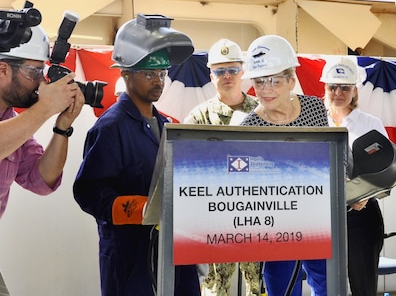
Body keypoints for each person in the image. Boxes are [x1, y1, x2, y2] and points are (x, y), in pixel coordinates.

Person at [73, 16, 200, 296]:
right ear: (125, 74)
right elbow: (89, 193)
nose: (158, 81)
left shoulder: (168, 125)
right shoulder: (110, 128)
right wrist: (143, 209)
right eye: (149, 74)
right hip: (130, 258)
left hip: (175, 252)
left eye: (163, 74)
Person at [240, 35, 329, 296]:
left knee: (328, 284)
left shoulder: (315, 108)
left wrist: (351, 189)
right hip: (276, 228)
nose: (265, 89)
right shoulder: (250, 127)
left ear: (291, 80)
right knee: (282, 289)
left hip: (318, 221)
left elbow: (335, 157)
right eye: (259, 81)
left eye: (274, 80)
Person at [0, 25, 84, 293]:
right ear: (2, 70)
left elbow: (42, 179)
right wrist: (45, 108)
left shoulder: (14, 122)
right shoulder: (19, 124)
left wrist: (62, 127)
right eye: (33, 72)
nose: (40, 81)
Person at [184, 39, 260, 296]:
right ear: (210, 75)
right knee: (216, 288)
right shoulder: (198, 117)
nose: (227, 76)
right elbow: (186, 166)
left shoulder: (263, 113)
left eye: (232, 69)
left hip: (258, 213)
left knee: (258, 286)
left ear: (242, 71)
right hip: (216, 215)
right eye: (220, 71)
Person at [321, 57, 386, 296]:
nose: (338, 92)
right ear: (324, 88)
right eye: (332, 86)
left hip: (361, 214)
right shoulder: (314, 122)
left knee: (363, 285)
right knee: (325, 285)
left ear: (354, 90)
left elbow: (383, 170)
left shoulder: (370, 124)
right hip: (322, 216)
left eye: (345, 87)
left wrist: (362, 195)